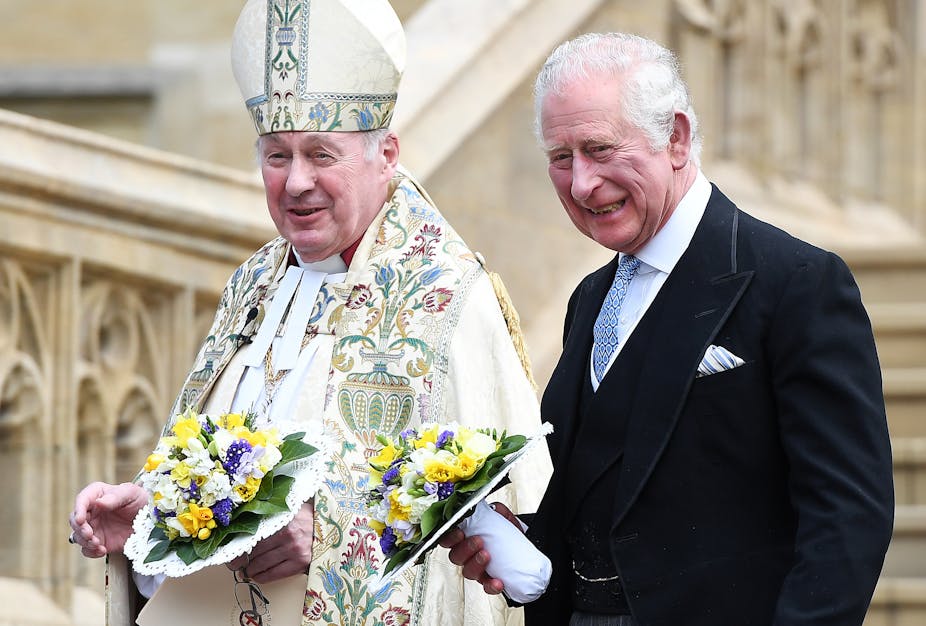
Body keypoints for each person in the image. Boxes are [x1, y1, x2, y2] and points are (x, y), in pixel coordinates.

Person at [67, 1, 552, 624]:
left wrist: (329, 542)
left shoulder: (448, 298)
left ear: (386, 154)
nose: (296, 183)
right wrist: (151, 523)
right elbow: (213, 487)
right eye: (276, 155)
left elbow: (505, 552)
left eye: (322, 154)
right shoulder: (254, 286)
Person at [441, 31, 894, 626]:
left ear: (675, 138)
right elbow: (609, 496)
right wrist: (520, 539)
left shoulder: (798, 283)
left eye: (600, 149)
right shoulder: (589, 297)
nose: (580, 184)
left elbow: (848, 520)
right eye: (560, 157)